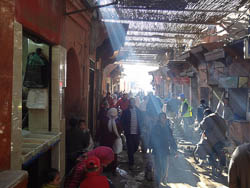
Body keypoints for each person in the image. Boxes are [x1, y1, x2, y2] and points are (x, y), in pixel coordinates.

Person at [150, 113, 177, 187]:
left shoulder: (168, 128)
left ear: (166, 119)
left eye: (164, 118)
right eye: (161, 118)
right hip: (156, 150)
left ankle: (164, 178)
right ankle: (158, 182)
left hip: (165, 150)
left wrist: (174, 148)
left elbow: (172, 139)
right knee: (158, 167)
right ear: (159, 118)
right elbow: (151, 138)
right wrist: (150, 148)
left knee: (165, 167)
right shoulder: (155, 128)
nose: (163, 119)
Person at [96, 108, 122, 175]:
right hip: (107, 141)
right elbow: (100, 129)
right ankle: (108, 168)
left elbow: (120, 130)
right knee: (109, 155)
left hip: (110, 141)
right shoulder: (107, 120)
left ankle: (111, 169)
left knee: (111, 155)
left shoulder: (116, 120)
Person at [121, 98, 142, 170]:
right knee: (130, 147)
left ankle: (130, 155)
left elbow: (141, 121)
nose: (132, 103)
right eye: (131, 102)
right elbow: (122, 121)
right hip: (129, 133)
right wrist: (124, 129)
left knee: (136, 146)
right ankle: (131, 163)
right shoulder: (125, 111)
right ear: (129, 103)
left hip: (136, 132)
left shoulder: (138, 111)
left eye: (133, 102)